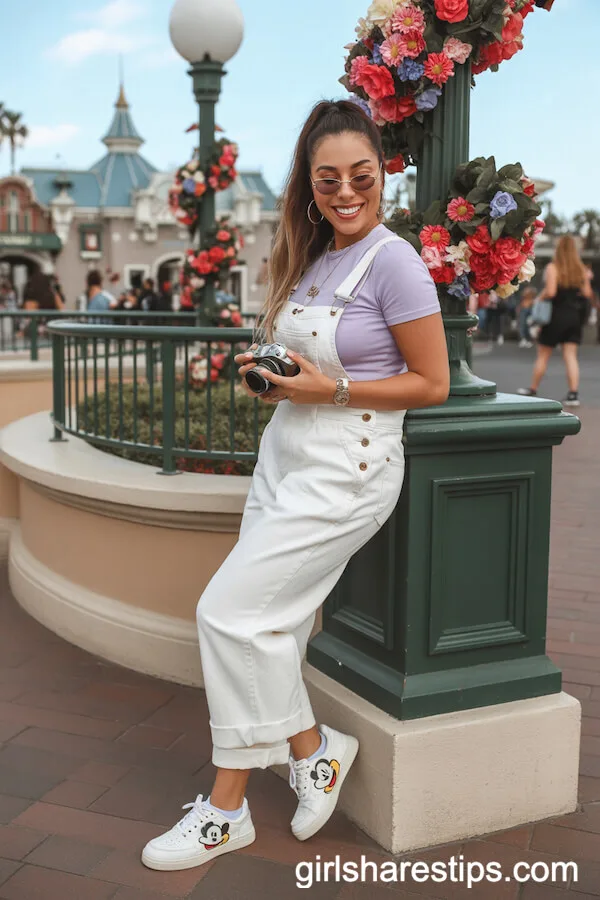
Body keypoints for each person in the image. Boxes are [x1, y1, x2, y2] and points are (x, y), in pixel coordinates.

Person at [141, 99, 449, 871]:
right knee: (263, 623)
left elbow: (433, 383)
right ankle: (313, 751)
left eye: (361, 178)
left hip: (349, 466)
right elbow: (310, 366)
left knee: (226, 613)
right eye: (327, 181)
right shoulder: (313, 258)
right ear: (308, 187)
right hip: (287, 453)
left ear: (383, 176)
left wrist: (329, 393)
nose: (346, 194)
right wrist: (274, 377)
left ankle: (226, 810)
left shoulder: (396, 261)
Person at [517, 234, 593, 406]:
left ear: (558, 249)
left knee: (543, 354)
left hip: (556, 316)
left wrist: (539, 298)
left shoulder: (554, 267)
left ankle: (533, 388)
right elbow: (587, 293)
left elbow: (551, 292)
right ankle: (573, 394)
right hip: (573, 316)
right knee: (570, 356)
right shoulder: (580, 268)